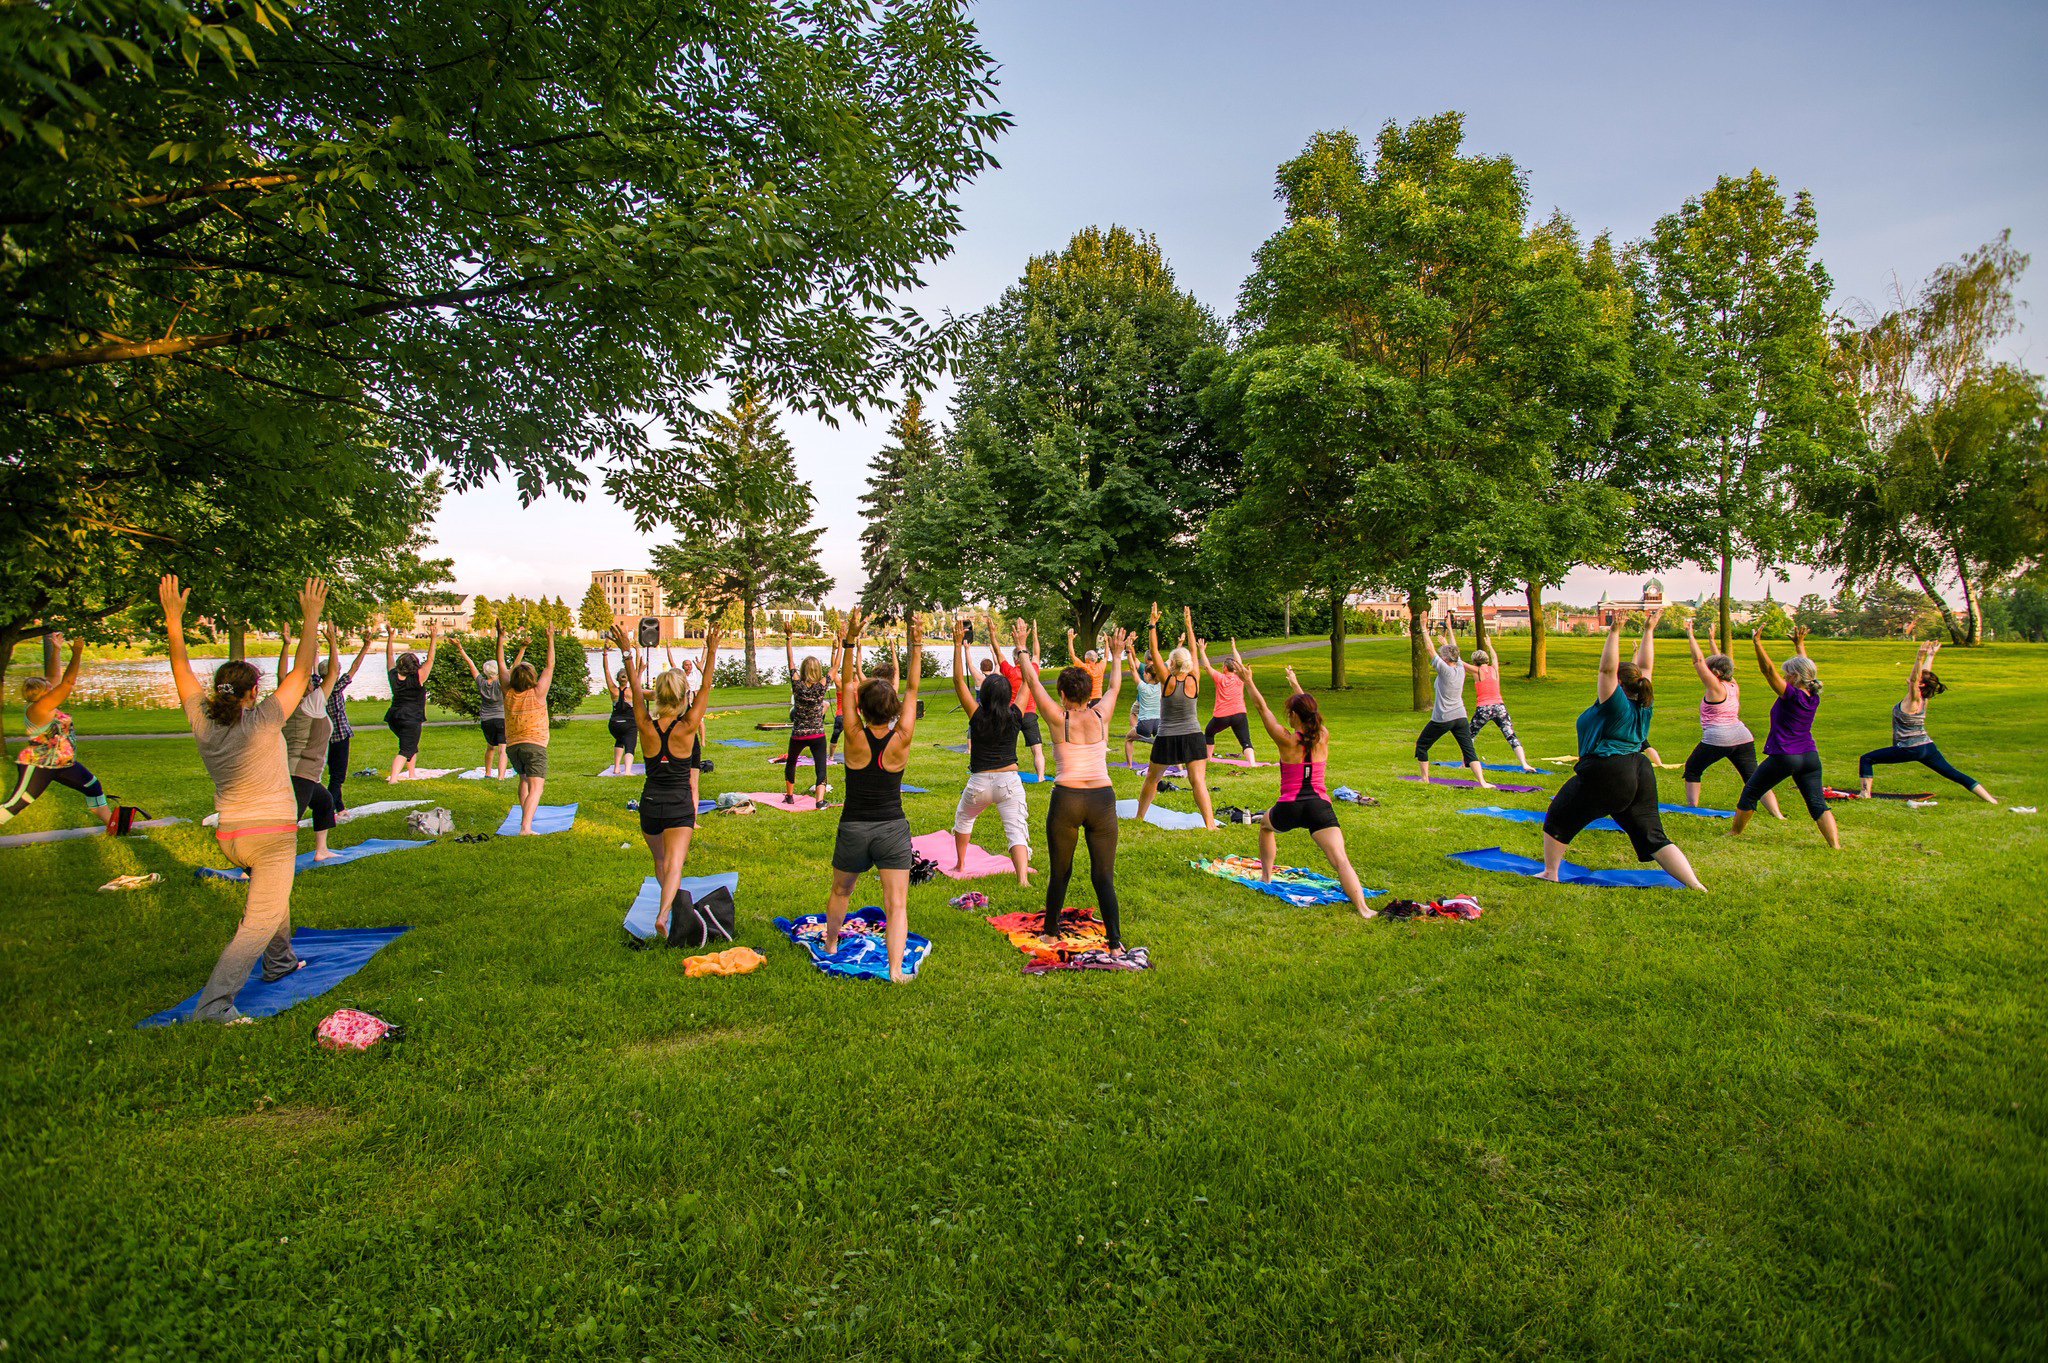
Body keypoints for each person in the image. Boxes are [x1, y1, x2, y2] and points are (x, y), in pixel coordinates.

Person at [159, 572, 329, 1023]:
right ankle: (214, 1007)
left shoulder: (203, 722)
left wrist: (173, 623)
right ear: (254, 691)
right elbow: (302, 671)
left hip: (231, 835)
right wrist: (311, 618)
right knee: (256, 921)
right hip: (271, 835)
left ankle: (279, 962)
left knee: (272, 900)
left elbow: (180, 670)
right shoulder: (263, 719)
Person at [1538, 611, 1707, 890]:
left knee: (1559, 815)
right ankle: (1695, 885)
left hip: (1608, 769)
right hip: (1639, 769)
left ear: (1618, 683)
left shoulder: (1614, 702)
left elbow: (1606, 670)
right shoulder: (1644, 700)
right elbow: (1646, 668)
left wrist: (1614, 631)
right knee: (1653, 836)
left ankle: (1549, 872)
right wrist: (1648, 630)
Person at [1015, 619, 1133, 951]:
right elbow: (1113, 688)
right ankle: (1115, 944)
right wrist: (1118, 653)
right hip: (1101, 800)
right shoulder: (1101, 714)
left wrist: (1023, 646)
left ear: (1064, 695)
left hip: (1067, 799)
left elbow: (1031, 680)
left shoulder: (1057, 717)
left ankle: (1050, 933)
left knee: (1060, 872)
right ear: (1086, 693)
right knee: (1103, 877)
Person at [820, 609, 923, 983]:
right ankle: (895, 971)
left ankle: (831, 945)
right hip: (892, 829)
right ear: (893, 710)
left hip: (855, 827)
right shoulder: (903, 738)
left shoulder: (852, 735)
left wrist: (849, 641)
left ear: (862, 710)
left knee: (841, 889)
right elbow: (912, 689)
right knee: (896, 905)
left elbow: (846, 684)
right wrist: (917, 642)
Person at [1237, 650, 1376, 917]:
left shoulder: (1286, 740)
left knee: (1266, 827)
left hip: (1289, 807)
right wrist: (1296, 685)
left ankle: (1266, 879)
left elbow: (1261, 708)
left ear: (1294, 717)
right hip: (1318, 808)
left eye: (1290, 712)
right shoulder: (1323, 735)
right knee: (1340, 860)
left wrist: (1248, 681)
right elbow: (1312, 712)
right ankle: (1364, 908)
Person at [611, 623, 722, 938]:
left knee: (661, 861)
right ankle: (663, 913)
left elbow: (632, 686)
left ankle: (669, 903)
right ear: (682, 695)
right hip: (678, 805)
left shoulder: (645, 725)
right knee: (674, 865)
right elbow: (707, 686)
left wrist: (628, 653)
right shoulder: (688, 726)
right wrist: (711, 650)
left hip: (649, 804)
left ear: (657, 695)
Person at [1731, 627, 1840, 847]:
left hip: (1785, 755)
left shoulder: (1790, 695)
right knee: (1817, 803)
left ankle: (1734, 833)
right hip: (1809, 756)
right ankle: (1835, 846)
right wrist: (1799, 646)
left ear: (1795, 677)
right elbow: (1807, 670)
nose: (1783, 676)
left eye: (1787, 673)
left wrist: (1757, 643)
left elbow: (1768, 670)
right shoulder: (1812, 696)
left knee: (1751, 791)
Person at [1857, 640, 1997, 803]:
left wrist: (1920, 655)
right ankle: (1991, 800)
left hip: (1909, 748)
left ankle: (1865, 794)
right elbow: (1923, 675)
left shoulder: (1914, 698)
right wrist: (1931, 655)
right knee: (1953, 773)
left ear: (1920, 684)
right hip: (1926, 746)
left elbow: (1916, 679)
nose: (1911, 676)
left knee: (1866, 759)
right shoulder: (1923, 698)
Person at [0, 633, 114, 831]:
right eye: (49, 688)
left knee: (92, 787)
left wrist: (57, 650)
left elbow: (54, 677)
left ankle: (114, 826)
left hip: (63, 762)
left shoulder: (43, 703)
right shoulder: (39, 709)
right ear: (43, 693)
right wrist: (77, 653)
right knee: (16, 804)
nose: (52, 687)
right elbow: (67, 683)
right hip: (40, 764)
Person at [948, 618, 1032, 885]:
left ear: (982, 695)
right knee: (1017, 830)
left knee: (963, 820)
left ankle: (961, 865)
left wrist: (957, 645)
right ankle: (1022, 880)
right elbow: (1028, 681)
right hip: (1009, 781)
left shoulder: (976, 714)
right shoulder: (1015, 714)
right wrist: (1021, 648)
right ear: (1008, 695)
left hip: (979, 783)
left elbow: (958, 680)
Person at [1677, 619, 1782, 818]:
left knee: (1692, 768)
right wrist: (1711, 639)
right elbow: (1719, 661)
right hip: (1742, 736)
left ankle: (1692, 809)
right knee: (1754, 777)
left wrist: (1690, 635)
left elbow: (1699, 662)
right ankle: (1777, 814)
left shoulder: (1715, 687)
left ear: (1715, 673)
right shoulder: (1733, 683)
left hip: (1718, 738)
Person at [1135, 603, 1218, 830]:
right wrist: (1189, 626)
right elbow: (1192, 652)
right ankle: (1210, 825)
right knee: (1197, 781)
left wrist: (1153, 624)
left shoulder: (1167, 680)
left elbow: (1153, 652)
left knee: (1152, 779)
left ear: (1171, 663)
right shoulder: (1194, 678)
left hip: (1168, 736)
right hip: (1193, 735)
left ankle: (1139, 818)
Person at [277, 629, 338, 860]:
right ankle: (255, 866)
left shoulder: (285, 703)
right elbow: (332, 673)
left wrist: (286, 646)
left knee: (324, 802)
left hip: (300, 771)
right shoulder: (311, 704)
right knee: (288, 821)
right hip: (300, 773)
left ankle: (321, 851)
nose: (314, 685)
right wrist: (333, 644)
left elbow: (282, 677)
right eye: (309, 683)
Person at [1415, 619, 1490, 789]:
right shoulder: (1460, 668)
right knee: (1468, 750)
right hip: (1460, 716)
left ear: (1445, 659)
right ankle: (1483, 782)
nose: (1440, 657)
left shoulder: (1445, 670)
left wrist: (1424, 628)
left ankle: (1425, 778)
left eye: (1443, 656)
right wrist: (1449, 630)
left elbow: (1429, 650)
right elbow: (1456, 651)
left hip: (1443, 718)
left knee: (1422, 745)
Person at [498, 621, 557, 835]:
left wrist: (500, 637)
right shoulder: (538, 692)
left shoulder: (508, 693)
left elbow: (501, 665)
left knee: (523, 780)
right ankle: (526, 827)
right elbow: (549, 666)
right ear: (532, 678)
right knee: (536, 788)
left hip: (513, 747)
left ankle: (526, 817)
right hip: (535, 746)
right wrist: (550, 637)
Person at [1465, 618, 1539, 773]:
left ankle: (1466, 763)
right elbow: (1495, 658)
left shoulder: (1477, 671)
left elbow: (1459, 663)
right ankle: (1525, 764)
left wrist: (1446, 645)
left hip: (1484, 708)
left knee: (1469, 736)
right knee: (1511, 736)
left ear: (1475, 662)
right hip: (1500, 707)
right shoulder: (1494, 669)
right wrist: (1490, 645)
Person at [453, 629, 520, 778]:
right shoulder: (502, 683)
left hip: (486, 720)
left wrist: (460, 648)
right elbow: (515, 665)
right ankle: (501, 776)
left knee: (490, 748)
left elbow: (471, 665)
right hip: (502, 719)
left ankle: (488, 773)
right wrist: (522, 648)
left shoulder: (481, 683)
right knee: (503, 749)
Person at [989, 611, 1048, 781]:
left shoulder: (1009, 670)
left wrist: (992, 634)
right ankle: (1041, 777)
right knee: (1037, 750)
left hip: (1012, 713)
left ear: (1015, 659)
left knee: (1007, 748)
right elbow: (1037, 654)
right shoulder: (1034, 670)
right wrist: (1034, 633)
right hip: (1029, 714)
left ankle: (1006, 775)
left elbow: (998, 652)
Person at [322, 626, 374, 813]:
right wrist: (366, 647)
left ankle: (340, 807)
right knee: (337, 776)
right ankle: (327, 809)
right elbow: (355, 667)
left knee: (332, 774)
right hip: (340, 736)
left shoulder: (316, 688)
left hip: (323, 737)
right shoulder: (335, 689)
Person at [382, 621, 438, 782]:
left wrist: (390, 638)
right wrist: (433, 638)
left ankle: (412, 774)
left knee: (411, 745)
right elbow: (431, 659)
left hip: (394, 717)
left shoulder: (393, 675)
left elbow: (389, 656)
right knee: (406, 748)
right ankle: (393, 778)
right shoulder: (418, 677)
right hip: (410, 717)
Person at [781, 634, 834, 803]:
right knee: (821, 766)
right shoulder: (822, 685)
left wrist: (789, 639)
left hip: (798, 733)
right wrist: (840, 646)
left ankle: (789, 796)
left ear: (803, 670)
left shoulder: (797, 684)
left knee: (791, 762)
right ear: (818, 670)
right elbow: (835, 667)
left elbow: (790, 662)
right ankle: (819, 801)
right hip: (817, 734)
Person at [1203, 639, 1256, 763]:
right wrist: (1234, 647)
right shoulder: (1240, 678)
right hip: (1239, 714)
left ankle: (1208, 758)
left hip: (1222, 716)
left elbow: (1206, 666)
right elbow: (1239, 662)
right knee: (1245, 741)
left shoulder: (1220, 678)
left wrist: (1201, 650)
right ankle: (1252, 763)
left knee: (1209, 732)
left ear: (1225, 667)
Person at [601, 644, 638, 776]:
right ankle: (627, 771)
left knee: (619, 740)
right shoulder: (632, 690)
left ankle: (616, 768)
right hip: (629, 723)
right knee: (630, 745)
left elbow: (606, 671)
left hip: (614, 724)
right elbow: (636, 671)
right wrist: (637, 651)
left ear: (617, 678)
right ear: (628, 678)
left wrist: (605, 654)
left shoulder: (613, 690)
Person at [1122, 655, 1163, 769]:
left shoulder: (1143, 688)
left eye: (1144, 673)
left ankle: (1129, 765)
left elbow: (1132, 668)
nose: (1143, 675)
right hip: (1159, 723)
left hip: (1145, 723)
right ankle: (1179, 768)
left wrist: (1129, 652)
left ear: (1149, 675)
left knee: (1128, 739)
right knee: (1165, 743)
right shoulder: (1161, 686)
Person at [1067, 628, 1105, 701]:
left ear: (1086, 659)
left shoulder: (1084, 667)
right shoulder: (1100, 667)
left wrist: (1070, 639)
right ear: (1096, 659)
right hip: (1099, 700)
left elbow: (1072, 654)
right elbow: (1106, 657)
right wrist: (1106, 642)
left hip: (1089, 700)